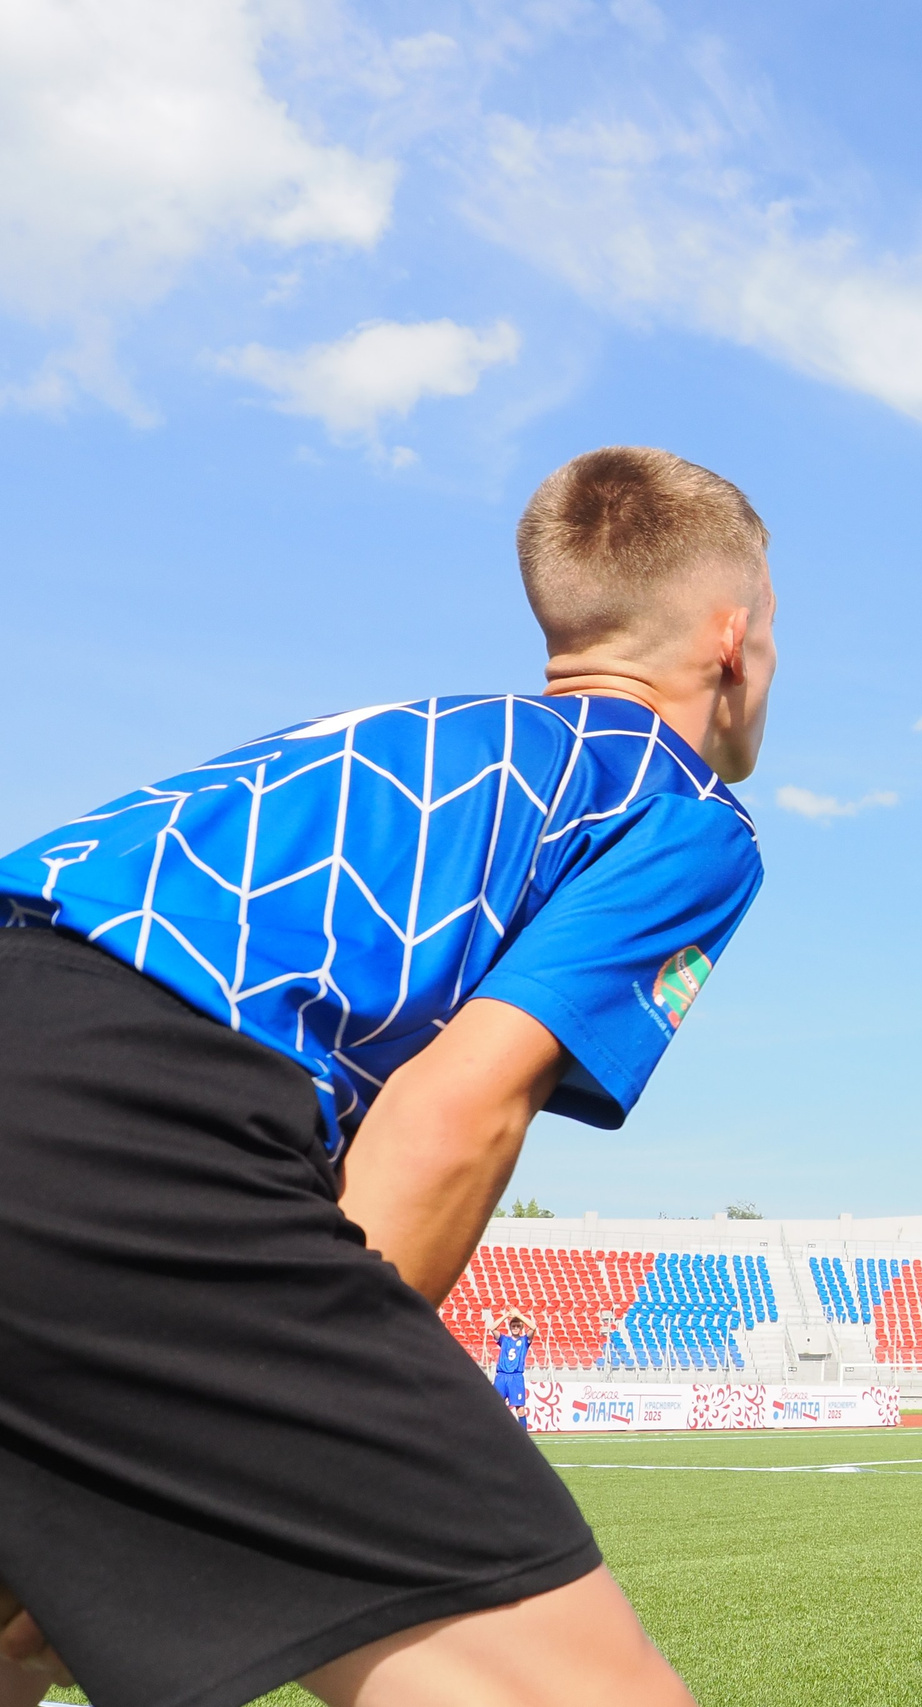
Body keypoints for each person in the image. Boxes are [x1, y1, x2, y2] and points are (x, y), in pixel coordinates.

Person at [0, 446, 774, 1707]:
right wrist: (240, 1450)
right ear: (733, 642)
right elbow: (452, 1115)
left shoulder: (402, 737)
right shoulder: (671, 805)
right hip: (110, 1125)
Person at [493, 1313, 538, 1429]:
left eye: (518, 1326)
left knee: (520, 1410)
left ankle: (523, 1436)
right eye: (513, 1326)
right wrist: (506, 1316)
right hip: (502, 1376)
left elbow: (533, 1327)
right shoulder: (504, 1339)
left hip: (516, 1377)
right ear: (510, 1327)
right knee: (494, 1406)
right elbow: (492, 1328)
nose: (515, 1328)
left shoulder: (524, 1340)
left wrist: (519, 1315)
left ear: (521, 1327)